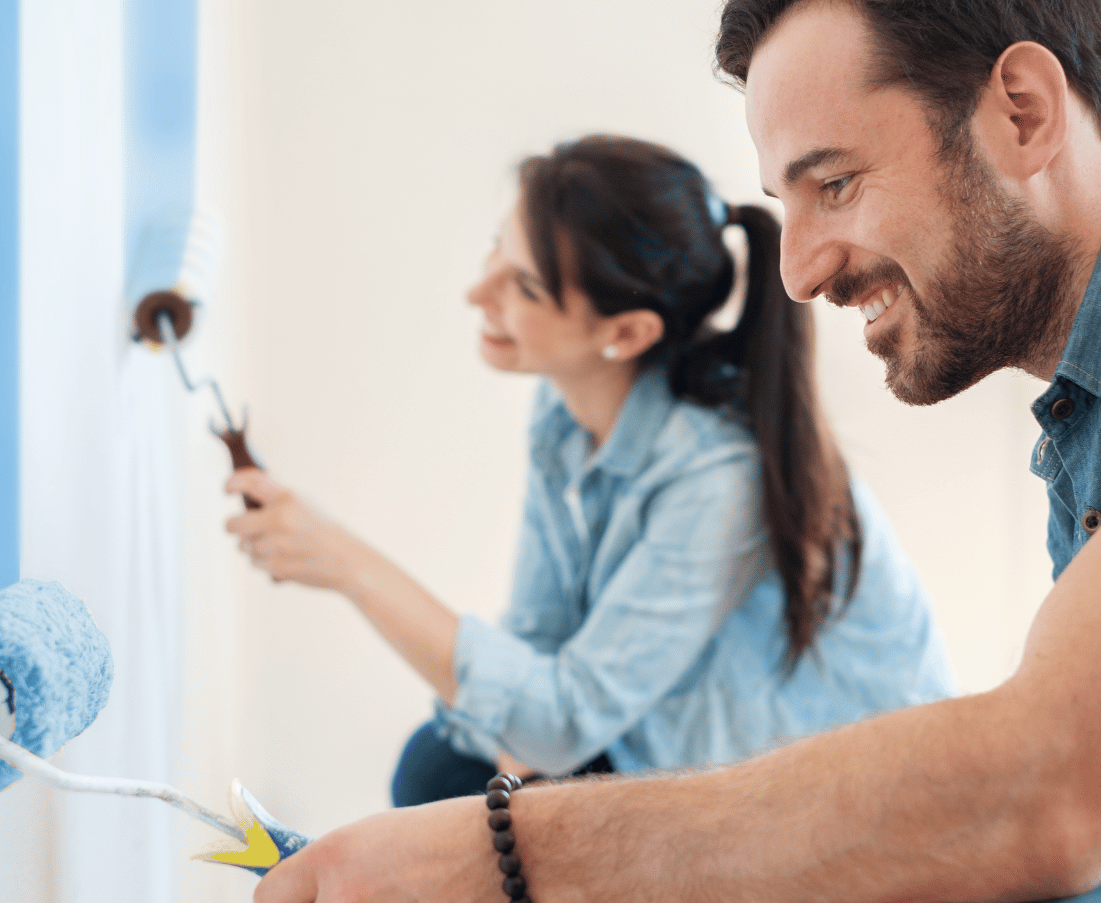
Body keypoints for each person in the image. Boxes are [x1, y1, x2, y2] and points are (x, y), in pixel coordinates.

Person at [247, 0, 1101, 902]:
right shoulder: (1095, 424)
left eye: (837, 183)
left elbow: (1047, 795)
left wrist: (511, 851)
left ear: (1023, 111)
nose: (803, 268)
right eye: (786, 200)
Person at [225, 134, 955, 807]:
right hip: (665, 740)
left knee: (451, 783)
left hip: (832, 805)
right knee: (443, 767)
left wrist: (348, 566)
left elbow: (561, 720)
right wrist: (528, 733)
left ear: (627, 333)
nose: (478, 294)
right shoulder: (564, 413)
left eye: (526, 288)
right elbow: (541, 644)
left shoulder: (719, 478)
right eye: (494, 252)